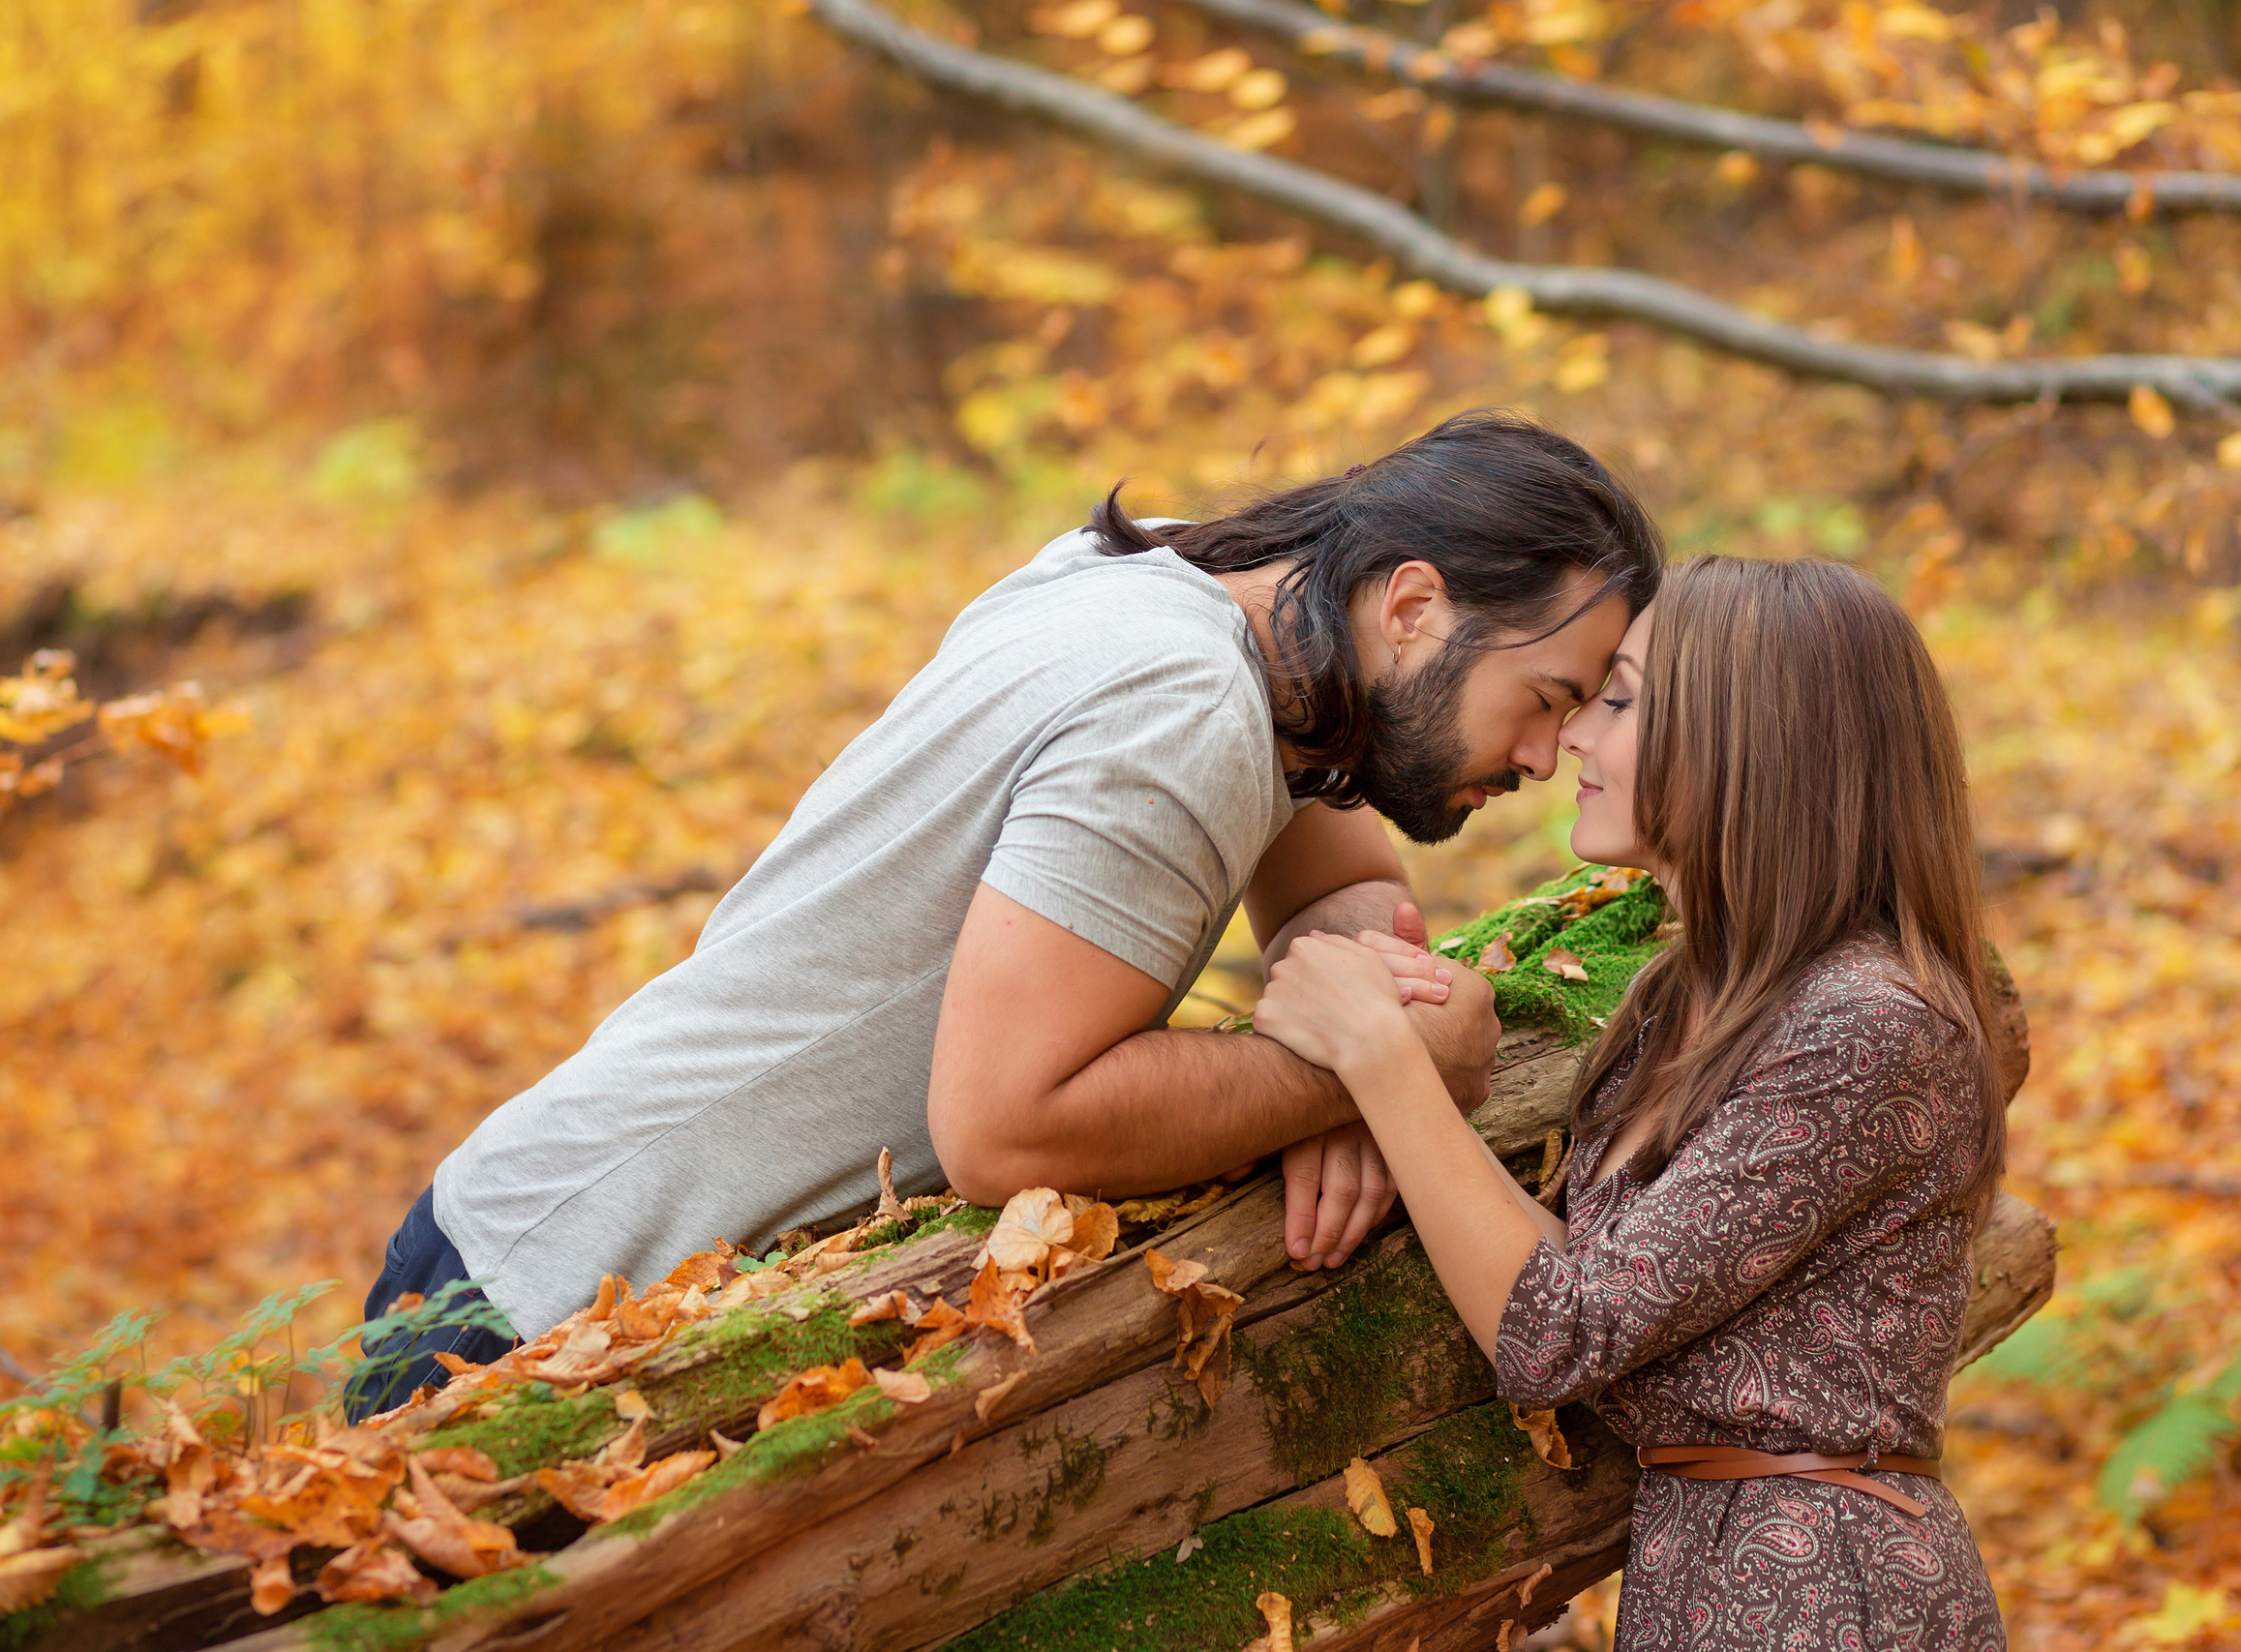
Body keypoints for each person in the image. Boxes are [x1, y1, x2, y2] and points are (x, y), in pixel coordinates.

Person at [348, 410, 1663, 1417]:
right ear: (1417, 602)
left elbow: (1332, 882)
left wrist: (1367, 1043)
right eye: (1546, 695)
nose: (1549, 755)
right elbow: (1002, 1123)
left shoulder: (1214, 593)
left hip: (554, 1257)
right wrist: (1370, 1074)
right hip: (540, 1307)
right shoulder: (1182, 704)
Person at [1254, 556, 2008, 1648]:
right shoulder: (1675, 996)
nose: (1570, 740)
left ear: (1752, 739)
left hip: (1831, 1593)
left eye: (1619, 702)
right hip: (1694, 1569)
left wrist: (1381, 1060)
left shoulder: (1871, 1023)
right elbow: (1580, 1284)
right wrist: (1364, 1096)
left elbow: (1563, 1332)